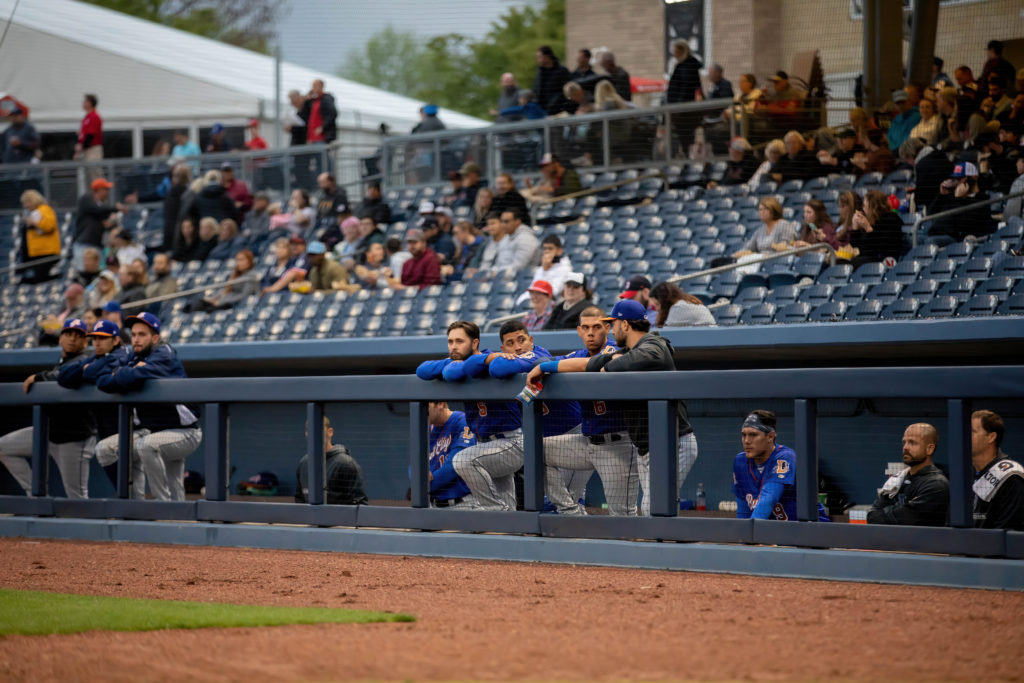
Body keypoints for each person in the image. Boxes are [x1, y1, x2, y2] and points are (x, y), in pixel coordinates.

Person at [526, 299, 698, 516]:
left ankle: (669, 546)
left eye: (613, 324)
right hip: (646, 444)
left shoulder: (655, 344)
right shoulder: (625, 350)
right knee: (652, 512)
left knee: (650, 511)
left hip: (673, 441)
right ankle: (571, 512)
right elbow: (587, 364)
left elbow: (640, 357)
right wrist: (544, 366)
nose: (611, 329)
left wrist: (613, 363)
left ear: (625, 325)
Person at [528, 306, 637, 515]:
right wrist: (543, 365)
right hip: (587, 442)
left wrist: (547, 367)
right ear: (578, 331)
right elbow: (545, 361)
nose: (590, 332)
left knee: (622, 515)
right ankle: (571, 511)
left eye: (596, 327)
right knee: (534, 448)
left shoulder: (618, 351)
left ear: (607, 328)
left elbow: (586, 365)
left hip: (618, 444)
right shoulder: (577, 354)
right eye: (585, 328)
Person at [417, 321, 525, 511]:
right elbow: (423, 370)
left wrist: (482, 360)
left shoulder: (488, 359)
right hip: (485, 445)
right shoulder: (458, 361)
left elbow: (466, 370)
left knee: (463, 460)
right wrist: (450, 363)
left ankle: (497, 513)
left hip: (510, 443)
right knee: (508, 501)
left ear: (474, 343)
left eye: (459, 341)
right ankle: (509, 523)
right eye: (450, 342)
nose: (454, 346)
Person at [93, 313, 201, 501]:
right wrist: (131, 370)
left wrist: (126, 372)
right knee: (105, 448)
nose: (136, 339)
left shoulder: (164, 352)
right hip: (152, 431)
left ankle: (162, 507)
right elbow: (103, 380)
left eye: (142, 334)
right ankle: (134, 506)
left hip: (184, 432)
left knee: (148, 447)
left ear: (155, 337)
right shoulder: (133, 357)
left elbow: (134, 375)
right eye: (133, 335)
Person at [0, 319, 95, 499]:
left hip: (74, 438)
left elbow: (64, 376)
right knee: (3, 447)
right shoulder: (61, 361)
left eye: (78, 336)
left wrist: (38, 376)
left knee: (78, 500)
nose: (72, 339)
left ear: (85, 342)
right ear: (60, 338)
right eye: (68, 334)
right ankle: (37, 496)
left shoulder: (85, 360)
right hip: (49, 432)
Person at [57, 319, 131, 486]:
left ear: (116, 340)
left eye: (103, 338)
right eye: (95, 338)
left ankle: (140, 508)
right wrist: (86, 368)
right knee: (117, 471)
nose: (97, 342)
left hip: (128, 421)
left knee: (131, 472)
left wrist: (86, 369)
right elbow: (63, 378)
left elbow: (97, 372)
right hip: (107, 422)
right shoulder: (95, 358)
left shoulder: (123, 353)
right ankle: (130, 508)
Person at [731, 410, 829, 521]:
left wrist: (750, 533)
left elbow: (768, 499)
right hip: (775, 532)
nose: (747, 441)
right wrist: (743, 535)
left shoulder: (785, 457)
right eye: (744, 435)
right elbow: (743, 511)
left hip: (811, 530)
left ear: (770, 437)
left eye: (753, 435)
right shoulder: (740, 462)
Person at [867, 423, 950, 526]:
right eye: (904, 442)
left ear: (930, 449)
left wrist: (892, 510)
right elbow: (872, 517)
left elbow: (907, 519)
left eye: (912, 443)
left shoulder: (937, 484)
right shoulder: (897, 480)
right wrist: (902, 508)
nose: (905, 447)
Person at [294, 416, 368, 505]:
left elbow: (359, 504)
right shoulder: (304, 464)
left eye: (318, 429)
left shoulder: (346, 464)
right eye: (309, 430)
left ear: (330, 432)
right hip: (311, 518)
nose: (313, 434)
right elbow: (300, 500)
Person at [971, 409, 1024, 530]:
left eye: (972, 432)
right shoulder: (964, 473)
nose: (963, 435)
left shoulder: (1011, 476)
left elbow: (1006, 533)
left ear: (991, 437)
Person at [925, 162, 996, 245]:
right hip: (934, 234)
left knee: (930, 242)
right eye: (955, 180)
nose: (957, 183)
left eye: (960, 179)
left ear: (973, 178)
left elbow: (964, 225)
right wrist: (941, 195)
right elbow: (930, 214)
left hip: (955, 239)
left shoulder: (981, 199)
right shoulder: (952, 196)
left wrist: (958, 199)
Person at [424, 402, 477, 508]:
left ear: (440, 404)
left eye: (426, 406)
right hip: (433, 506)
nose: (423, 410)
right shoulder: (427, 429)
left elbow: (456, 464)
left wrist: (424, 484)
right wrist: (419, 475)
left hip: (462, 504)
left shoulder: (462, 421)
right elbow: (414, 464)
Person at [72, 178, 123, 271]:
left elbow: (106, 223)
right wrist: (115, 208)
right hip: (83, 245)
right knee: (84, 271)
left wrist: (112, 222)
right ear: (99, 190)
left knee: (99, 274)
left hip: (97, 245)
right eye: (106, 189)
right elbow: (96, 210)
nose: (108, 192)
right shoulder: (86, 199)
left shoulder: (101, 206)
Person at [849, 189, 905, 266]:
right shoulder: (873, 221)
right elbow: (859, 248)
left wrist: (868, 228)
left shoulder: (891, 220)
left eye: (865, 206)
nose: (863, 209)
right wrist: (855, 229)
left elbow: (882, 248)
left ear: (873, 207)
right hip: (871, 260)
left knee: (853, 263)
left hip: (886, 261)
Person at [192, 249, 259, 312]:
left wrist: (221, 301)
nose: (238, 263)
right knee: (198, 304)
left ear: (249, 261)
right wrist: (213, 298)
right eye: (237, 260)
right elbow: (225, 290)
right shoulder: (235, 275)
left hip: (234, 304)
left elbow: (245, 295)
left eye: (241, 260)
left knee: (209, 309)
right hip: (225, 301)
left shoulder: (251, 276)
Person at [732, 197, 797, 258]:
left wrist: (761, 255)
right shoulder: (760, 230)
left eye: (766, 209)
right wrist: (738, 254)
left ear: (774, 210)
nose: (762, 212)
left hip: (777, 263)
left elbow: (787, 250)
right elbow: (749, 248)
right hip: (759, 263)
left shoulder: (784, 225)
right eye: (760, 209)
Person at [18, 189, 59, 284]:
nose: (25, 206)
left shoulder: (44, 209)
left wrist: (35, 222)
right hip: (37, 253)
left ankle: (58, 276)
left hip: (46, 252)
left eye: (27, 203)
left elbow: (49, 226)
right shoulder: (34, 212)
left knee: (38, 279)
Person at [517, 235, 572, 306]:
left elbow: (553, 291)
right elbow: (532, 288)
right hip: (535, 303)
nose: (547, 251)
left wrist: (545, 271)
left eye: (550, 248)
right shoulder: (540, 269)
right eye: (545, 249)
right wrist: (521, 301)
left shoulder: (565, 269)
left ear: (559, 251)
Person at [490, 210, 540, 275]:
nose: (503, 225)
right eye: (501, 221)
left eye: (506, 221)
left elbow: (519, 267)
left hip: (522, 278)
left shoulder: (526, 239)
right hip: (502, 277)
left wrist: (497, 273)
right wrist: (492, 271)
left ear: (517, 221)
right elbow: (498, 263)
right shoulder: (505, 238)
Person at [649, 282, 716, 327]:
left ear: (666, 300)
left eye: (657, 304)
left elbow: (667, 337)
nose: (656, 309)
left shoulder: (679, 307)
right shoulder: (686, 302)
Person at [533, 45, 572, 115]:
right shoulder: (540, 72)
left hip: (559, 111)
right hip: (543, 111)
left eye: (539, 57)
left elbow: (567, 91)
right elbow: (536, 90)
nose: (538, 60)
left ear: (547, 56)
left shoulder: (561, 71)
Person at [74, 94, 103, 178]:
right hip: (86, 150)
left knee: (95, 174)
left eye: (85, 101)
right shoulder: (86, 118)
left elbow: (90, 135)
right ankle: (90, 191)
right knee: (88, 176)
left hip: (93, 150)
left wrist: (81, 147)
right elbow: (83, 135)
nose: (83, 103)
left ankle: (99, 191)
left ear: (90, 103)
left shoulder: (94, 116)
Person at [300, 80, 338, 144]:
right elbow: (304, 113)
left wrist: (322, 127)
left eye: (315, 86)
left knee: (321, 152)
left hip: (321, 136)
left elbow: (332, 114)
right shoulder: (314, 100)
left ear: (321, 86)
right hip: (312, 136)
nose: (313, 88)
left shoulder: (326, 99)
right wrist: (307, 99)